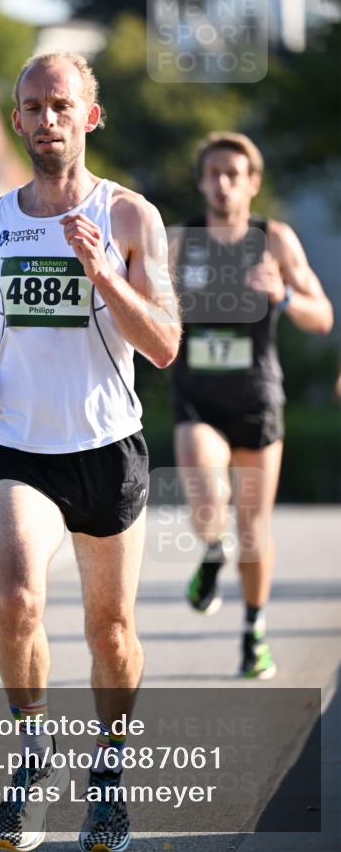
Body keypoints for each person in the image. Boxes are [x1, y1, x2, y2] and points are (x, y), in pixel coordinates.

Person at [0, 52, 180, 852]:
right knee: (17, 598)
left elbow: (164, 344)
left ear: (89, 115)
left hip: (107, 447)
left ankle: (109, 777)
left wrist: (101, 273)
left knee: (110, 630)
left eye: (60, 104)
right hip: (18, 446)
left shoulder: (128, 217)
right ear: (15, 120)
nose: (45, 119)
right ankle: (30, 757)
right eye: (31, 107)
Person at [169, 132, 333, 679]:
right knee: (202, 484)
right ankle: (212, 552)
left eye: (233, 174)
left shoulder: (275, 241)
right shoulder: (179, 242)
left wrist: (283, 294)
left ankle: (253, 631)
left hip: (257, 401)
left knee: (254, 529)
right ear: (200, 181)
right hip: (198, 398)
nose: (221, 183)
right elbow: (140, 300)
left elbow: (322, 316)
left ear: (252, 182)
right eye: (212, 173)